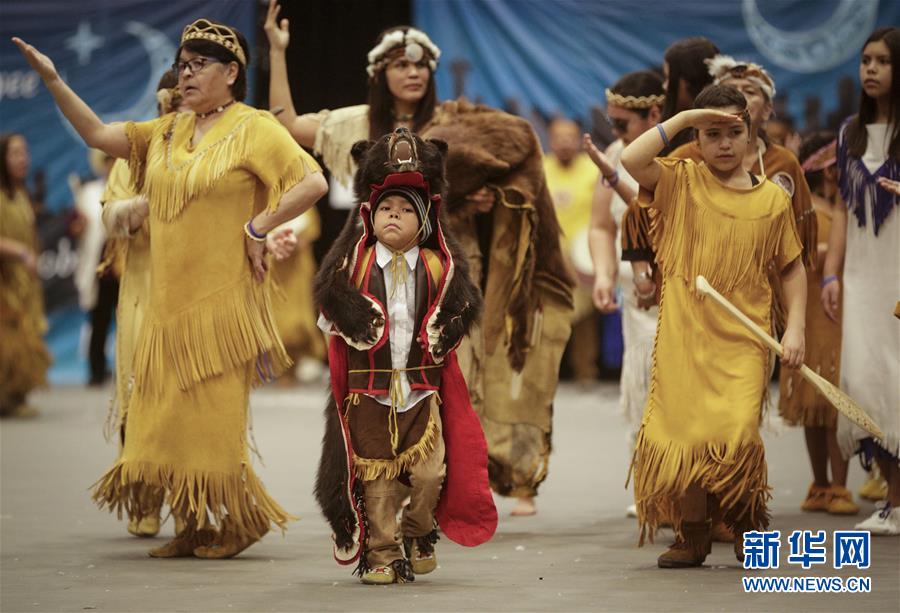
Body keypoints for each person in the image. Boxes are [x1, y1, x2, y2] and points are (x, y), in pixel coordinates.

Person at [13, 16, 328, 558]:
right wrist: (54, 80)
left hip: (220, 310)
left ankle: (236, 521)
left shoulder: (254, 127)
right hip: (165, 308)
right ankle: (191, 522)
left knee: (210, 425)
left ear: (231, 72)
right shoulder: (164, 132)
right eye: (182, 65)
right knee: (165, 426)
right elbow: (96, 135)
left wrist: (259, 226)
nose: (185, 74)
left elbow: (313, 181)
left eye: (198, 65)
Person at [265, 1, 573, 517]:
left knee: (459, 373)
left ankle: (446, 487)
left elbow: (504, 164)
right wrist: (277, 53)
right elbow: (285, 122)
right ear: (380, 74)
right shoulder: (357, 123)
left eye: (420, 65)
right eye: (400, 64)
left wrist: (479, 201)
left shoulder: (457, 123)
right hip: (374, 274)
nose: (412, 72)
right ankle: (391, 484)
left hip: (448, 269)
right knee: (382, 380)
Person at [621, 84, 806, 568]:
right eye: (711, 133)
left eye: (734, 132)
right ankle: (692, 533)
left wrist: (797, 329)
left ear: (750, 134)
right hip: (685, 338)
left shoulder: (771, 201)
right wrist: (682, 119)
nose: (724, 143)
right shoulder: (680, 181)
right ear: (697, 140)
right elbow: (631, 161)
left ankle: (747, 526)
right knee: (686, 437)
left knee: (738, 431)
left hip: (744, 341)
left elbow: (792, 268)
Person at [313, 129, 495, 584]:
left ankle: (419, 530)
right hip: (369, 394)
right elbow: (328, 314)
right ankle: (381, 554)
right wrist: (348, 320)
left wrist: (449, 329)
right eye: (385, 210)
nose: (393, 217)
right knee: (376, 479)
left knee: (431, 475)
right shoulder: (352, 265)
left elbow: (464, 305)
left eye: (404, 211)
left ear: (425, 221)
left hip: (421, 392)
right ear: (369, 215)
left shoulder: (440, 266)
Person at [822, 26, 900, 535]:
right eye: (865, 60)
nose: (870, 69)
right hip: (861, 280)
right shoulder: (849, 134)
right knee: (867, 382)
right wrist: (830, 273)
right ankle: (894, 498)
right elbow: (841, 212)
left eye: (882, 61)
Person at [583, 70, 664, 518]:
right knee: (640, 388)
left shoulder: (677, 155)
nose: (614, 133)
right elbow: (601, 225)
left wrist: (615, 177)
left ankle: (694, 490)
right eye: (611, 124)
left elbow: (654, 211)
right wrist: (603, 274)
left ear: (654, 114)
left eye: (623, 124)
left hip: (678, 294)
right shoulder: (614, 153)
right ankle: (652, 485)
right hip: (635, 300)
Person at [777, 132, 858, 515]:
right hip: (812, 317)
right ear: (826, 173)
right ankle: (823, 484)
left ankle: (839, 485)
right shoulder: (807, 214)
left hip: (839, 317)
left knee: (835, 408)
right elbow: (793, 259)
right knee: (816, 407)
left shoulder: (841, 212)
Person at [620, 37, 720, 303]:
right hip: (679, 274)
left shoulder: (694, 149)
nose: (665, 87)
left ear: (685, 83)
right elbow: (642, 204)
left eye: (668, 78)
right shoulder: (677, 144)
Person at [544, 117, 600, 385]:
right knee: (549, 316)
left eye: (570, 137)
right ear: (550, 140)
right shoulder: (540, 169)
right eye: (559, 137)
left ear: (579, 140)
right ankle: (549, 374)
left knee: (585, 317)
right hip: (550, 256)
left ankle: (585, 371)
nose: (565, 142)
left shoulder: (593, 171)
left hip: (584, 256)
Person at [0, 132, 51, 418]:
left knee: (24, 338)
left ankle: (14, 395)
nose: (23, 159)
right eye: (15, 153)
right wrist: (19, 252)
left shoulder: (21, 194)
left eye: (25, 153)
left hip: (23, 283)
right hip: (4, 281)